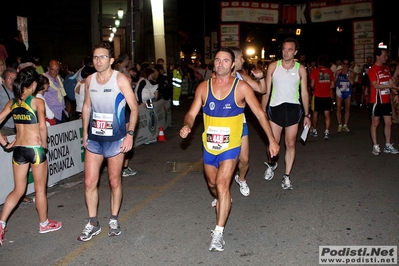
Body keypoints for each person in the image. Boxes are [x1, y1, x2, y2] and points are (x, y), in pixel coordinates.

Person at [179, 48, 279, 252]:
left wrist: (272, 140)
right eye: (217, 60)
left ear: (233, 65)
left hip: (231, 145)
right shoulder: (203, 88)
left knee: (223, 185)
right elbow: (191, 114)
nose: (221, 64)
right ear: (213, 64)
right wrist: (187, 125)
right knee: (213, 184)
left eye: (226, 61)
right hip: (209, 145)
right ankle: (223, 199)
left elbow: (260, 114)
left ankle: (218, 233)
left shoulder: (241, 87)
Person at [78, 41, 139, 242]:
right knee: (89, 182)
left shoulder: (120, 79)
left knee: (114, 181)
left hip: (116, 139)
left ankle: (113, 219)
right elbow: (87, 106)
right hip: (95, 138)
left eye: (103, 56)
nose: (98, 60)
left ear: (111, 60)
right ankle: (93, 222)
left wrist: (130, 134)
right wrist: (84, 132)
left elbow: (134, 108)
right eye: (95, 57)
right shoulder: (89, 80)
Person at [0, 66, 62, 247]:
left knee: (18, 190)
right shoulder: (36, 102)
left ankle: (1, 223)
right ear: (33, 83)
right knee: (40, 190)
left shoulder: (13, 102)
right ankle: (44, 224)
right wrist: (44, 145)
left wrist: (4, 142)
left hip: (19, 149)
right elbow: (42, 127)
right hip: (35, 149)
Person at [261, 38, 310, 189]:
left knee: (290, 143)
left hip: (293, 108)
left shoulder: (300, 68)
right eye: (284, 49)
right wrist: (262, 111)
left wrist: (307, 115)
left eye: (289, 49)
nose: (286, 52)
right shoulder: (273, 67)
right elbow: (266, 91)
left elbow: (305, 93)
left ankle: (286, 176)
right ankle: (271, 164)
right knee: (273, 142)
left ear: (295, 52)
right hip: (276, 107)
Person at [227, 46, 267, 198]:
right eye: (241, 58)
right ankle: (222, 194)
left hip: (239, 122)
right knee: (224, 162)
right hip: (221, 124)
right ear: (234, 60)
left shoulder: (242, 76)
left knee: (244, 160)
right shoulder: (216, 78)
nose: (244, 60)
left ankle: (241, 179)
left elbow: (261, 90)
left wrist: (261, 77)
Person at [368, 48, 399, 155]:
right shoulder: (373, 70)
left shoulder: (386, 68)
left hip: (386, 101)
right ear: (378, 56)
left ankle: (387, 145)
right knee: (375, 123)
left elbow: (391, 82)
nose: (386, 57)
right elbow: (375, 84)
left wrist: (395, 93)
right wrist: (389, 86)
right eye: (384, 55)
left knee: (389, 122)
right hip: (376, 101)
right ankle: (375, 146)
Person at [310, 55, 335, 140]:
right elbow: (332, 85)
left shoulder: (315, 71)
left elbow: (312, 84)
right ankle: (326, 132)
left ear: (318, 62)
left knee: (315, 113)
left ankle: (315, 130)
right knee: (327, 114)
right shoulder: (329, 71)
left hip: (317, 95)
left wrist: (314, 88)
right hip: (327, 96)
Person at [335, 59, 355, 133]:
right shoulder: (338, 72)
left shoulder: (351, 72)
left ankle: (345, 125)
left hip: (347, 92)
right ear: (342, 64)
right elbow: (334, 81)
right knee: (338, 108)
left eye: (347, 64)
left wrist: (347, 74)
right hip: (340, 91)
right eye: (344, 64)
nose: (345, 65)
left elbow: (352, 82)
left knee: (347, 108)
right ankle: (339, 124)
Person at [0, 68, 17, 136]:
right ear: (3, 80)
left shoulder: (19, 92)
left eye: (15, 78)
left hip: (17, 129)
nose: (13, 81)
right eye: (10, 78)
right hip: (4, 130)